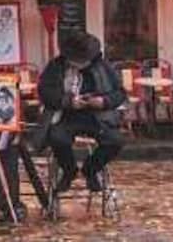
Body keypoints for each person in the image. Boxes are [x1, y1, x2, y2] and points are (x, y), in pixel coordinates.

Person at [38, 31, 126, 194]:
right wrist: (68, 101)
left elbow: (120, 93)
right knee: (57, 139)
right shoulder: (56, 67)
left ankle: (90, 170)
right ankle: (69, 170)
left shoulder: (103, 67)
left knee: (115, 141)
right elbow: (45, 92)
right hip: (65, 115)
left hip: (97, 116)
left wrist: (103, 101)